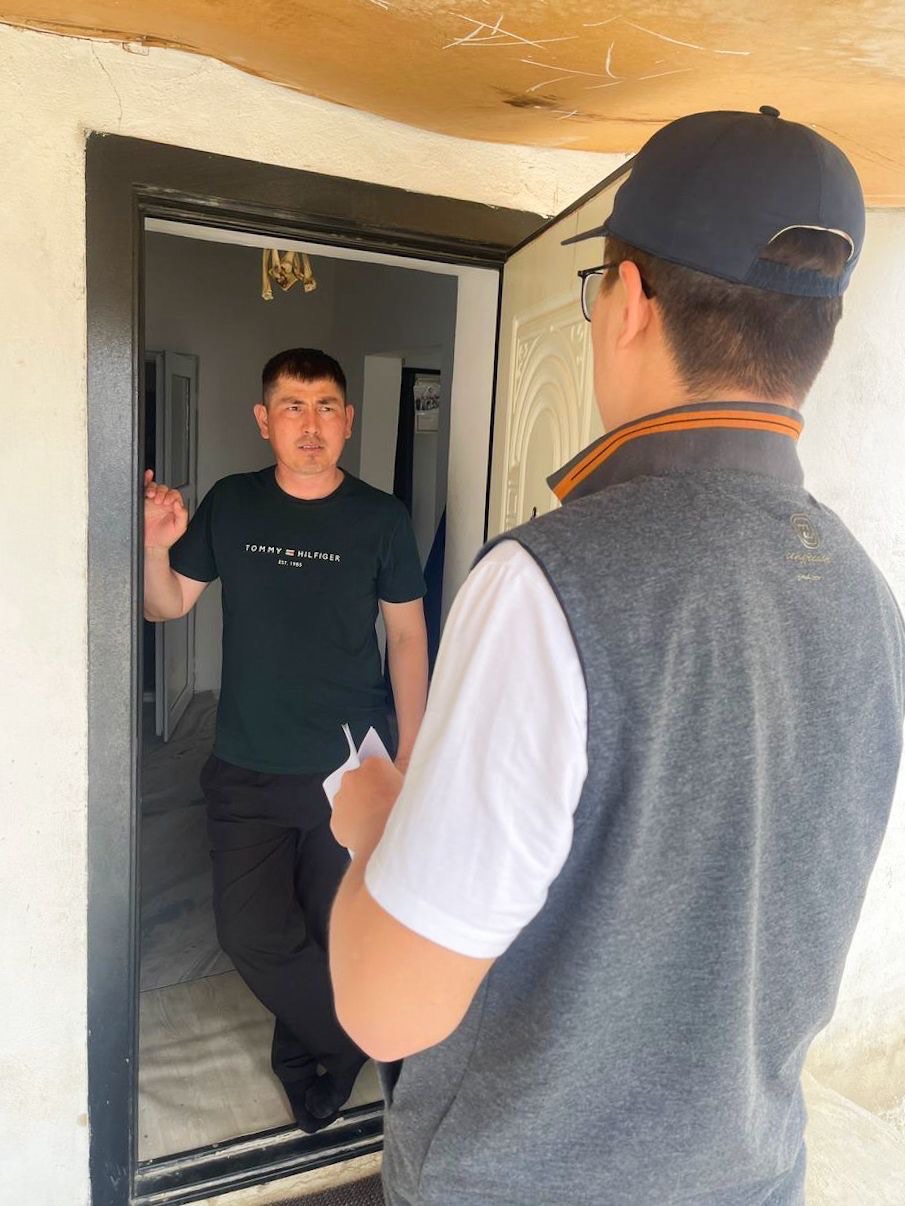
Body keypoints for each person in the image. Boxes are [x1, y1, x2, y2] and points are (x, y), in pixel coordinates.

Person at [327, 109, 905, 1204]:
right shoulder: (867, 594)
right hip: (748, 1179)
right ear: (815, 338)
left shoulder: (550, 583)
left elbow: (386, 1009)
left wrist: (371, 832)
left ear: (628, 302)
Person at [143, 347, 428, 1133]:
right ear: (263, 420)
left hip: (350, 766)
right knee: (251, 933)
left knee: (328, 926)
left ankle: (311, 1064)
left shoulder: (380, 518)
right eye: (292, 407)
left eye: (326, 406)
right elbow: (165, 606)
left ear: (348, 420)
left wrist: (412, 752)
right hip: (246, 762)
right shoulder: (233, 504)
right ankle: (366, 1042)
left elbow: (407, 636)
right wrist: (156, 545)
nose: (310, 424)